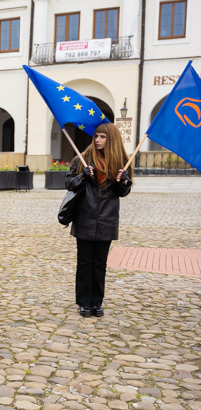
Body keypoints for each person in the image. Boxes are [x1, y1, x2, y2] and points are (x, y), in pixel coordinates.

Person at [65, 123, 132, 317]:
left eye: (102, 137)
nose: (97, 140)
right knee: (85, 262)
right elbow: (68, 182)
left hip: (106, 219)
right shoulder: (82, 159)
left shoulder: (120, 161)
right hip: (85, 216)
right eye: (96, 136)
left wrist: (125, 182)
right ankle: (84, 302)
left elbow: (122, 192)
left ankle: (97, 302)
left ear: (111, 140)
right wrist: (82, 177)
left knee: (100, 263)